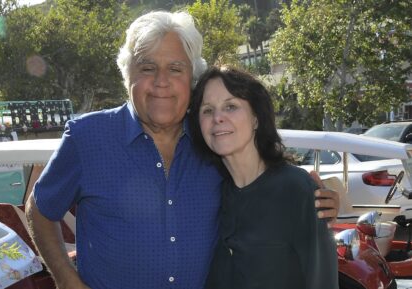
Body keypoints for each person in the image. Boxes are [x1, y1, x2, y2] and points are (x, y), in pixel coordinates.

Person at [25, 11, 340, 289]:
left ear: (191, 78)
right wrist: (66, 280)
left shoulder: (212, 140)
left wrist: (313, 200)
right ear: (127, 75)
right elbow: (39, 209)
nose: (161, 82)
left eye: (175, 69)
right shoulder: (87, 137)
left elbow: (259, 185)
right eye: (147, 67)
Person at [188, 66, 338, 289]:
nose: (218, 118)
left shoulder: (296, 189)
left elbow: (323, 281)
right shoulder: (212, 192)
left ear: (256, 118)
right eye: (207, 110)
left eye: (231, 106)